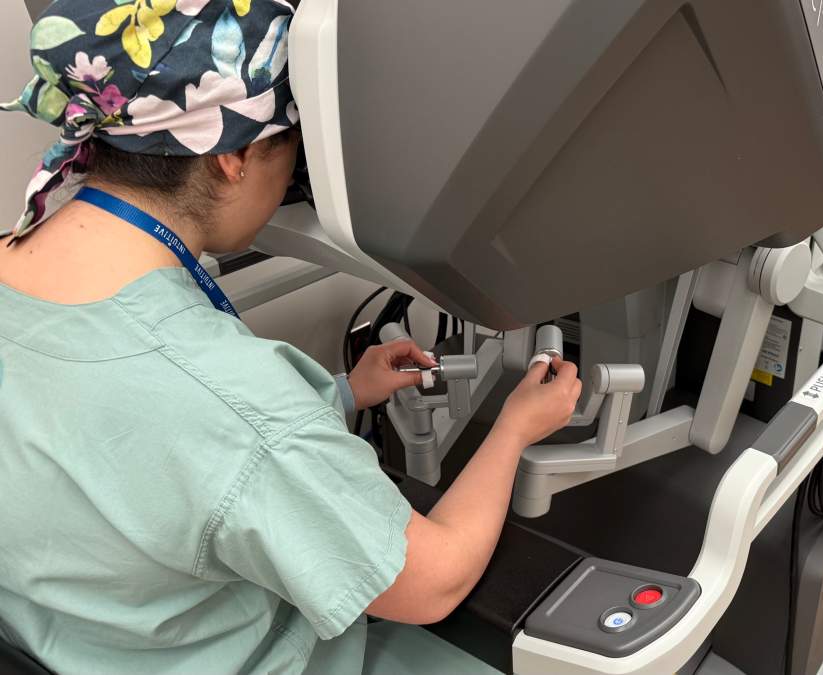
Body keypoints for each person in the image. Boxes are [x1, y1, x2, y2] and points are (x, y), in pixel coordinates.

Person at [0, 2, 582, 673]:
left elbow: (137, 456)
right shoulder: (238, 405)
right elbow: (435, 580)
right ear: (235, 156)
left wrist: (335, 394)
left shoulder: (24, 262)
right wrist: (515, 426)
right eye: (293, 147)